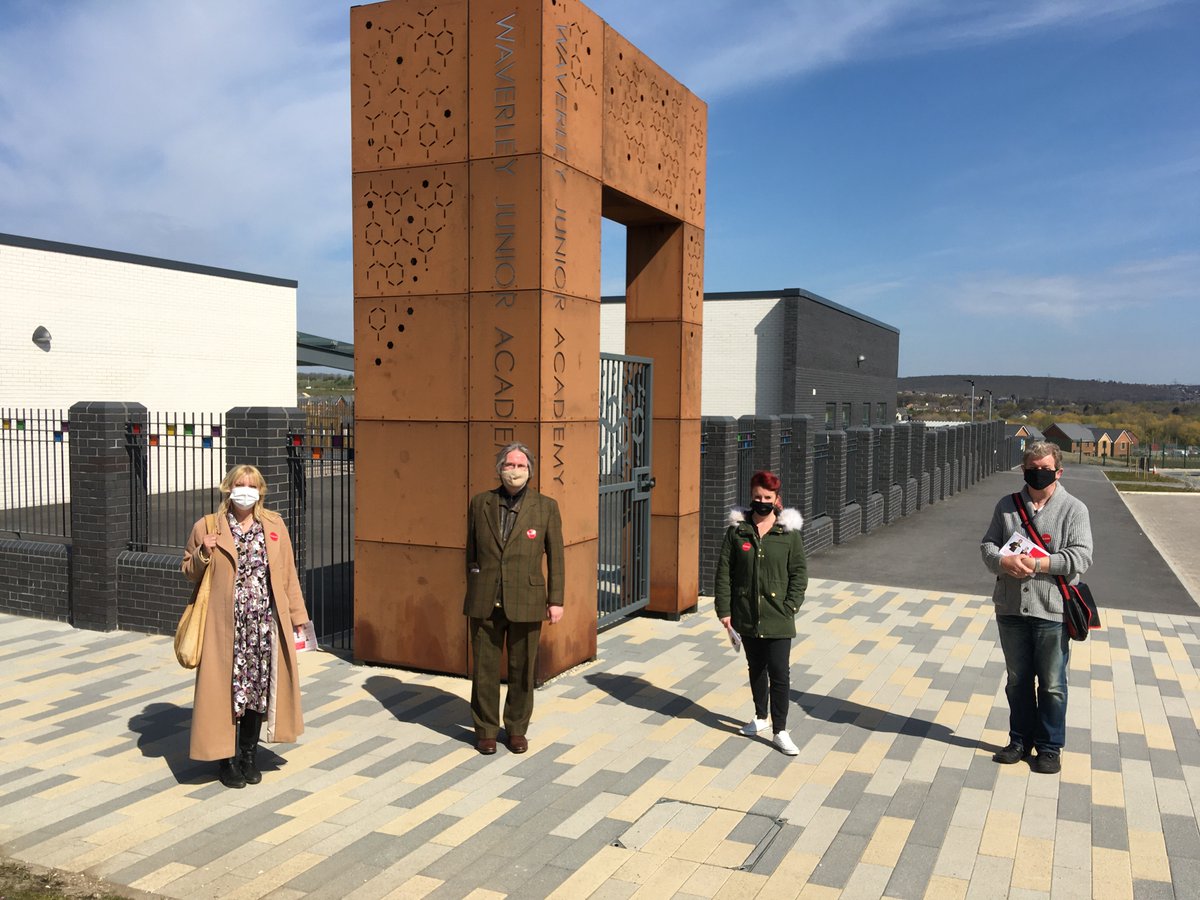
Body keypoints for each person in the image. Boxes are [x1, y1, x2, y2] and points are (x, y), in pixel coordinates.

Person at [182, 464, 310, 788]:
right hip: (224, 628)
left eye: (251, 486)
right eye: (239, 484)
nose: (245, 491)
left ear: (261, 491)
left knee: (256, 693)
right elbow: (187, 569)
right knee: (225, 692)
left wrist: (299, 620)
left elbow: (288, 577)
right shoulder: (208, 526)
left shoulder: (274, 525)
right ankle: (225, 760)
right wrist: (203, 552)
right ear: (228, 487)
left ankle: (248, 755)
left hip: (262, 626)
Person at [981, 441, 1092, 775]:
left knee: (1053, 683)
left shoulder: (1074, 509)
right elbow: (987, 546)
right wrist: (1004, 561)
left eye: (1043, 469)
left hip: (1052, 610)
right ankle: (1019, 740)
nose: (1036, 474)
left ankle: (1049, 747)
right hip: (1011, 608)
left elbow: (1082, 556)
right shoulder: (1007, 506)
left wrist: (1039, 564)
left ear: (1058, 471)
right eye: (1031, 468)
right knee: (1017, 680)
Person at [464, 442, 564, 755]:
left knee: (522, 670)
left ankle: (517, 729)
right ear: (500, 469)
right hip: (485, 600)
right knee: (484, 671)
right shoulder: (480, 503)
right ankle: (486, 730)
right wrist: (476, 583)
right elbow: (470, 553)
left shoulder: (545, 507)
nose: (515, 471)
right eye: (510, 465)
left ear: (530, 471)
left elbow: (557, 558)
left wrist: (556, 600)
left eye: (521, 466)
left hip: (528, 600)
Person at [714, 470, 808, 756]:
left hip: (778, 615)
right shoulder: (737, 532)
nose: (762, 502)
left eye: (768, 498)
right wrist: (725, 609)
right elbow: (723, 573)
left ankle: (780, 730)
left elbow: (799, 574)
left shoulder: (787, 534)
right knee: (756, 668)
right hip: (746, 615)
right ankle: (760, 717)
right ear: (751, 497)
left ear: (777, 499)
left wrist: (790, 606)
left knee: (780, 672)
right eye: (757, 497)